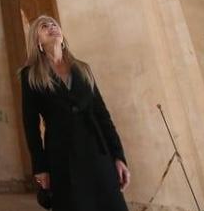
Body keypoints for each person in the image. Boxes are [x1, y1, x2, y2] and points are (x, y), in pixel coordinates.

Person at [20, 15, 130, 211]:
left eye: (54, 24)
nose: (52, 27)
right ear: (38, 41)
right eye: (44, 26)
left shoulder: (83, 69)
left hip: (98, 154)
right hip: (62, 159)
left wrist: (118, 156)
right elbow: (31, 126)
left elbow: (103, 116)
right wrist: (41, 167)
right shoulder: (31, 75)